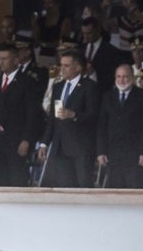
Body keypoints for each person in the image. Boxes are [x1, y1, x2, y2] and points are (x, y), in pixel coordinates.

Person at [38, 50, 100, 188]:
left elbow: (95, 116)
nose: (62, 69)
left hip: (81, 148)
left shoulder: (89, 87)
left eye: (66, 65)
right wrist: (44, 143)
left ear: (78, 67)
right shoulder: (58, 87)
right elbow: (53, 118)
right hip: (60, 146)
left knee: (83, 186)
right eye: (61, 65)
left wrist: (74, 115)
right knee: (64, 187)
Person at [0, 49, 38, 188]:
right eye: (0, 58)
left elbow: (32, 114)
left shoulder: (27, 82)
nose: (1, 62)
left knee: (16, 179)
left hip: (15, 140)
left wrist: (26, 140)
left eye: (5, 58)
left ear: (16, 61)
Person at [96, 64, 143, 188]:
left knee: (134, 189)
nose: (122, 80)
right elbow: (102, 126)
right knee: (115, 190)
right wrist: (101, 151)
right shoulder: (107, 96)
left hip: (135, 154)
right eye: (119, 76)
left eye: (125, 77)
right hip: (113, 153)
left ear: (132, 78)